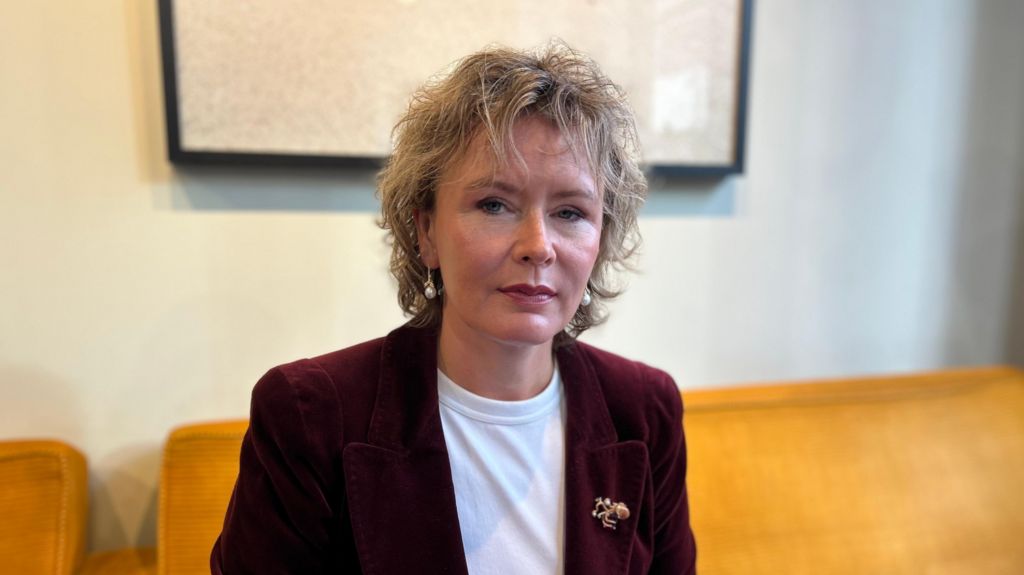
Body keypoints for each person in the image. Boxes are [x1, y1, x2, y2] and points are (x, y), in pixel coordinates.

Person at [211, 42, 696, 574]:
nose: (538, 246)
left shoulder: (645, 409)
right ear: (426, 232)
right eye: (494, 204)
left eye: (570, 212)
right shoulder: (311, 415)